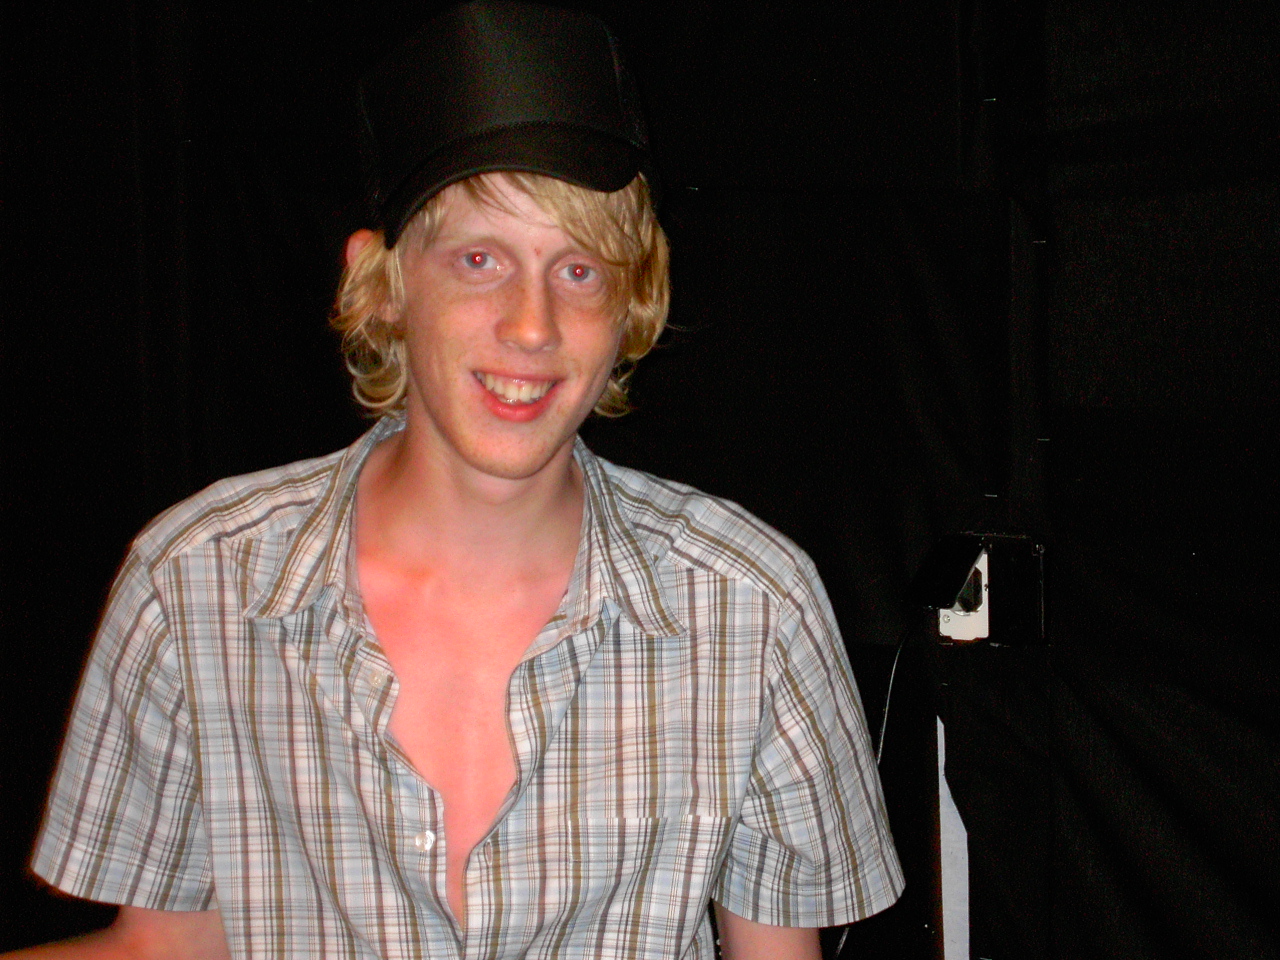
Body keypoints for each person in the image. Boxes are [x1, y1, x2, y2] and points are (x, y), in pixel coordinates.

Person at [10, 2, 903, 957]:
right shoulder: (195, 582)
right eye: (480, 260)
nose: (532, 325)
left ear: (635, 303)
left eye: (580, 271)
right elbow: (166, 945)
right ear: (386, 284)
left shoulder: (752, 606)